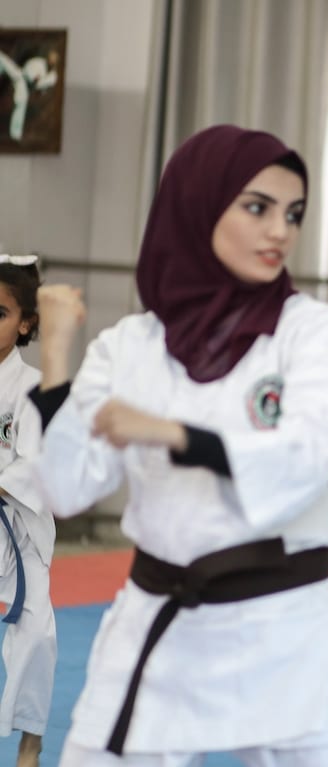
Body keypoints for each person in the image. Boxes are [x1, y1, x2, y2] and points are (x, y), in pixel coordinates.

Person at [30, 125, 328, 766]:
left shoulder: (309, 330)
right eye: (257, 207)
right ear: (198, 203)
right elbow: (67, 486)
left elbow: (310, 456)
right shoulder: (129, 346)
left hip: (284, 623)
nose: (280, 232)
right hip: (159, 625)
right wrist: (54, 355)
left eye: (292, 214)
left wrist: (177, 435)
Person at [0, 255, 53, 767]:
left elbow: (34, 465)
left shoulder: (33, 387)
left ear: (25, 323)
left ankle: (30, 741)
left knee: (37, 632)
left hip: (17, 530)